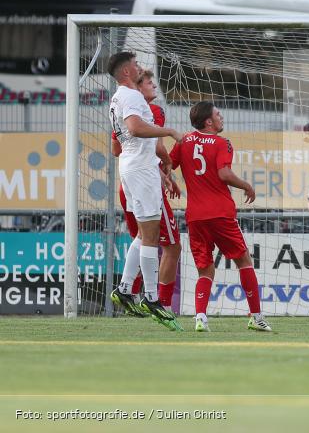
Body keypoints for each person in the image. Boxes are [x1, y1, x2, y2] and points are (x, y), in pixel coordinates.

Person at [169, 101, 272, 333]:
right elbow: (224, 173)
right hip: (220, 214)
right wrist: (247, 185)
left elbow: (165, 164)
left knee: (205, 270)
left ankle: (200, 318)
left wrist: (170, 180)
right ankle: (256, 316)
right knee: (244, 261)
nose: (221, 117)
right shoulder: (221, 142)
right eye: (218, 114)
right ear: (209, 122)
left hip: (195, 217)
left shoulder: (184, 141)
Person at [106, 51, 182, 330]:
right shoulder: (131, 96)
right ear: (127, 71)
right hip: (140, 169)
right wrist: (169, 131)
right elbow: (135, 128)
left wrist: (163, 161)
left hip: (132, 167)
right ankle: (152, 298)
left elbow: (124, 139)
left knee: (142, 233)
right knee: (152, 236)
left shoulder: (117, 97)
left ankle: (125, 288)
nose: (140, 69)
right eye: (136, 65)